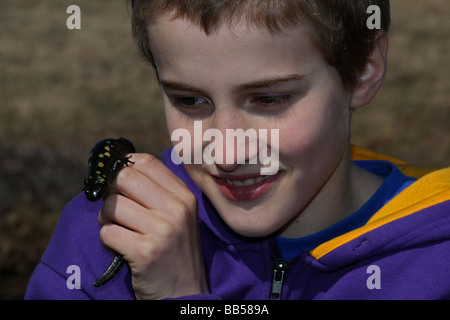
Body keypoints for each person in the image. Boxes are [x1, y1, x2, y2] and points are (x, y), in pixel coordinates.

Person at [25, 0, 450, 300]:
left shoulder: (435, 263)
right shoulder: (108, 230)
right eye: (190, 101)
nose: (226, 153)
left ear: (362, 72)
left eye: (268, 100)